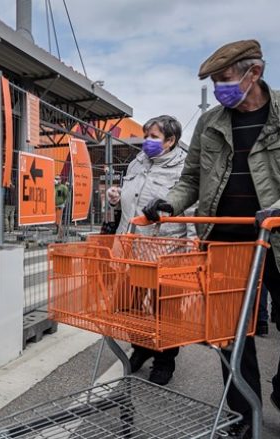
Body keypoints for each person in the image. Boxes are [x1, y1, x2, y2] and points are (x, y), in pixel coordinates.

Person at [143, 40, 280, 439]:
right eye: (214, 83)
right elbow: (192, 178)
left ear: (254, 73)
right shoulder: (211, 122)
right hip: (224, 243)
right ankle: (244, 412)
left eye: (225, 80)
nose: (219, 91)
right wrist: (169, 202)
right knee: (232, 335)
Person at [106, 115, 194, 386]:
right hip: (131, 245)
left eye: (154, 137)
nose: (148, 141)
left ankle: (165, 360)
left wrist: (192, 248)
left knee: (165, 308)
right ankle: (142, 347)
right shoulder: (137, 161)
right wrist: (117, 199)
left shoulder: (183, 168)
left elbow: (190, 209)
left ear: (171, 141)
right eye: (146, 136)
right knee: (129, 303)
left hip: (164, 249)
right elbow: (134, 199)